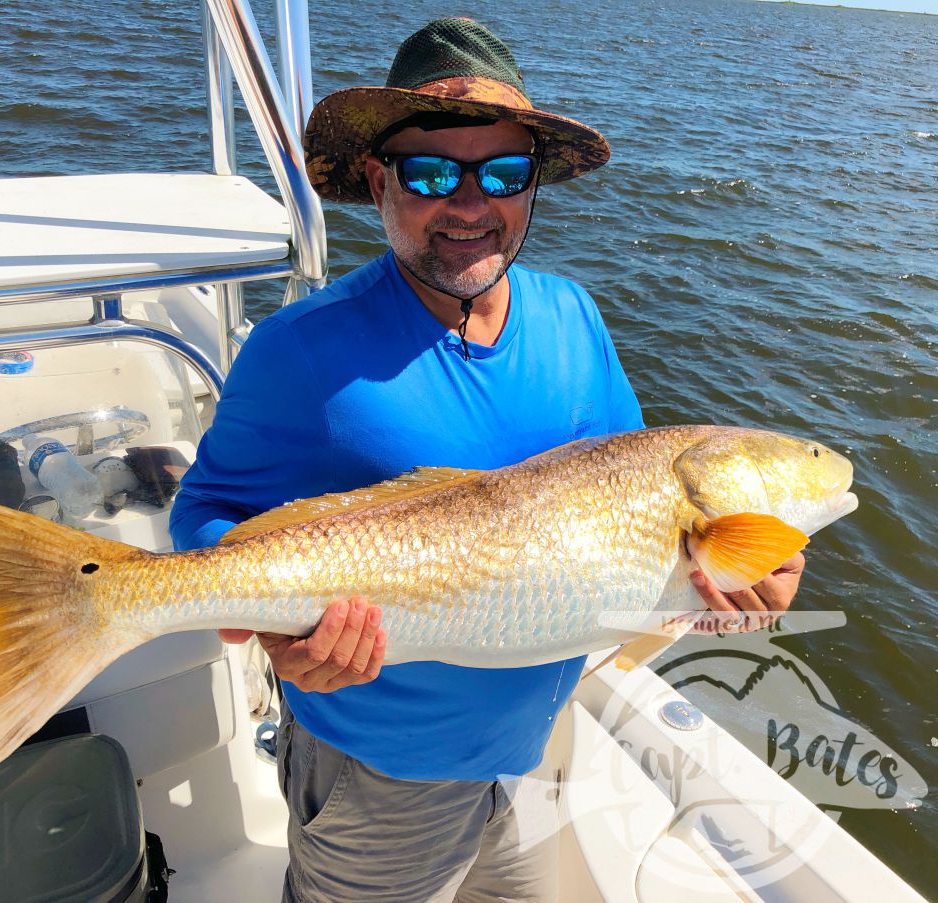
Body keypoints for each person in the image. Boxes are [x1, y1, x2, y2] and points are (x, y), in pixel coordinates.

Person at [170, 17, 804, 903]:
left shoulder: (575, 314)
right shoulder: (296, 351)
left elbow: (626, 515)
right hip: (383, 780)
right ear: (378, 180)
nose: (471, 206)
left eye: (503, 173)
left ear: (533, 183)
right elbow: (204, 512)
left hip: (543, 745)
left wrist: (721, 599)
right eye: (433, 173)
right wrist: (280, 636)